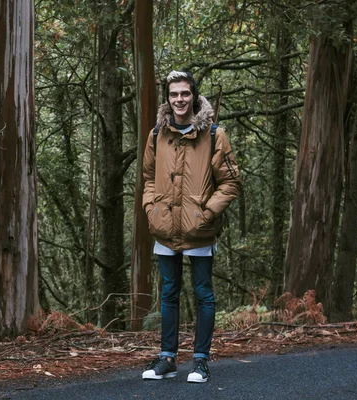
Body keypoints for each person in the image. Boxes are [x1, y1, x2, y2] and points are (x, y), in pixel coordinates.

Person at [141, 71, 241, 383]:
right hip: (165, 227)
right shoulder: (157, 134)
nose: (179, 100)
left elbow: (231, 182)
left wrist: (207, 213)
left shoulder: (213, 134)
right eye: (174, 94)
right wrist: (150, 209)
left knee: (203, 294)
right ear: (167, 98)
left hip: (199, 228)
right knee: (169, 292)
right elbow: (147, 177)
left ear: (194, 97)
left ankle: (200, 362)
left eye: (185, 94)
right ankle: (167, 359)